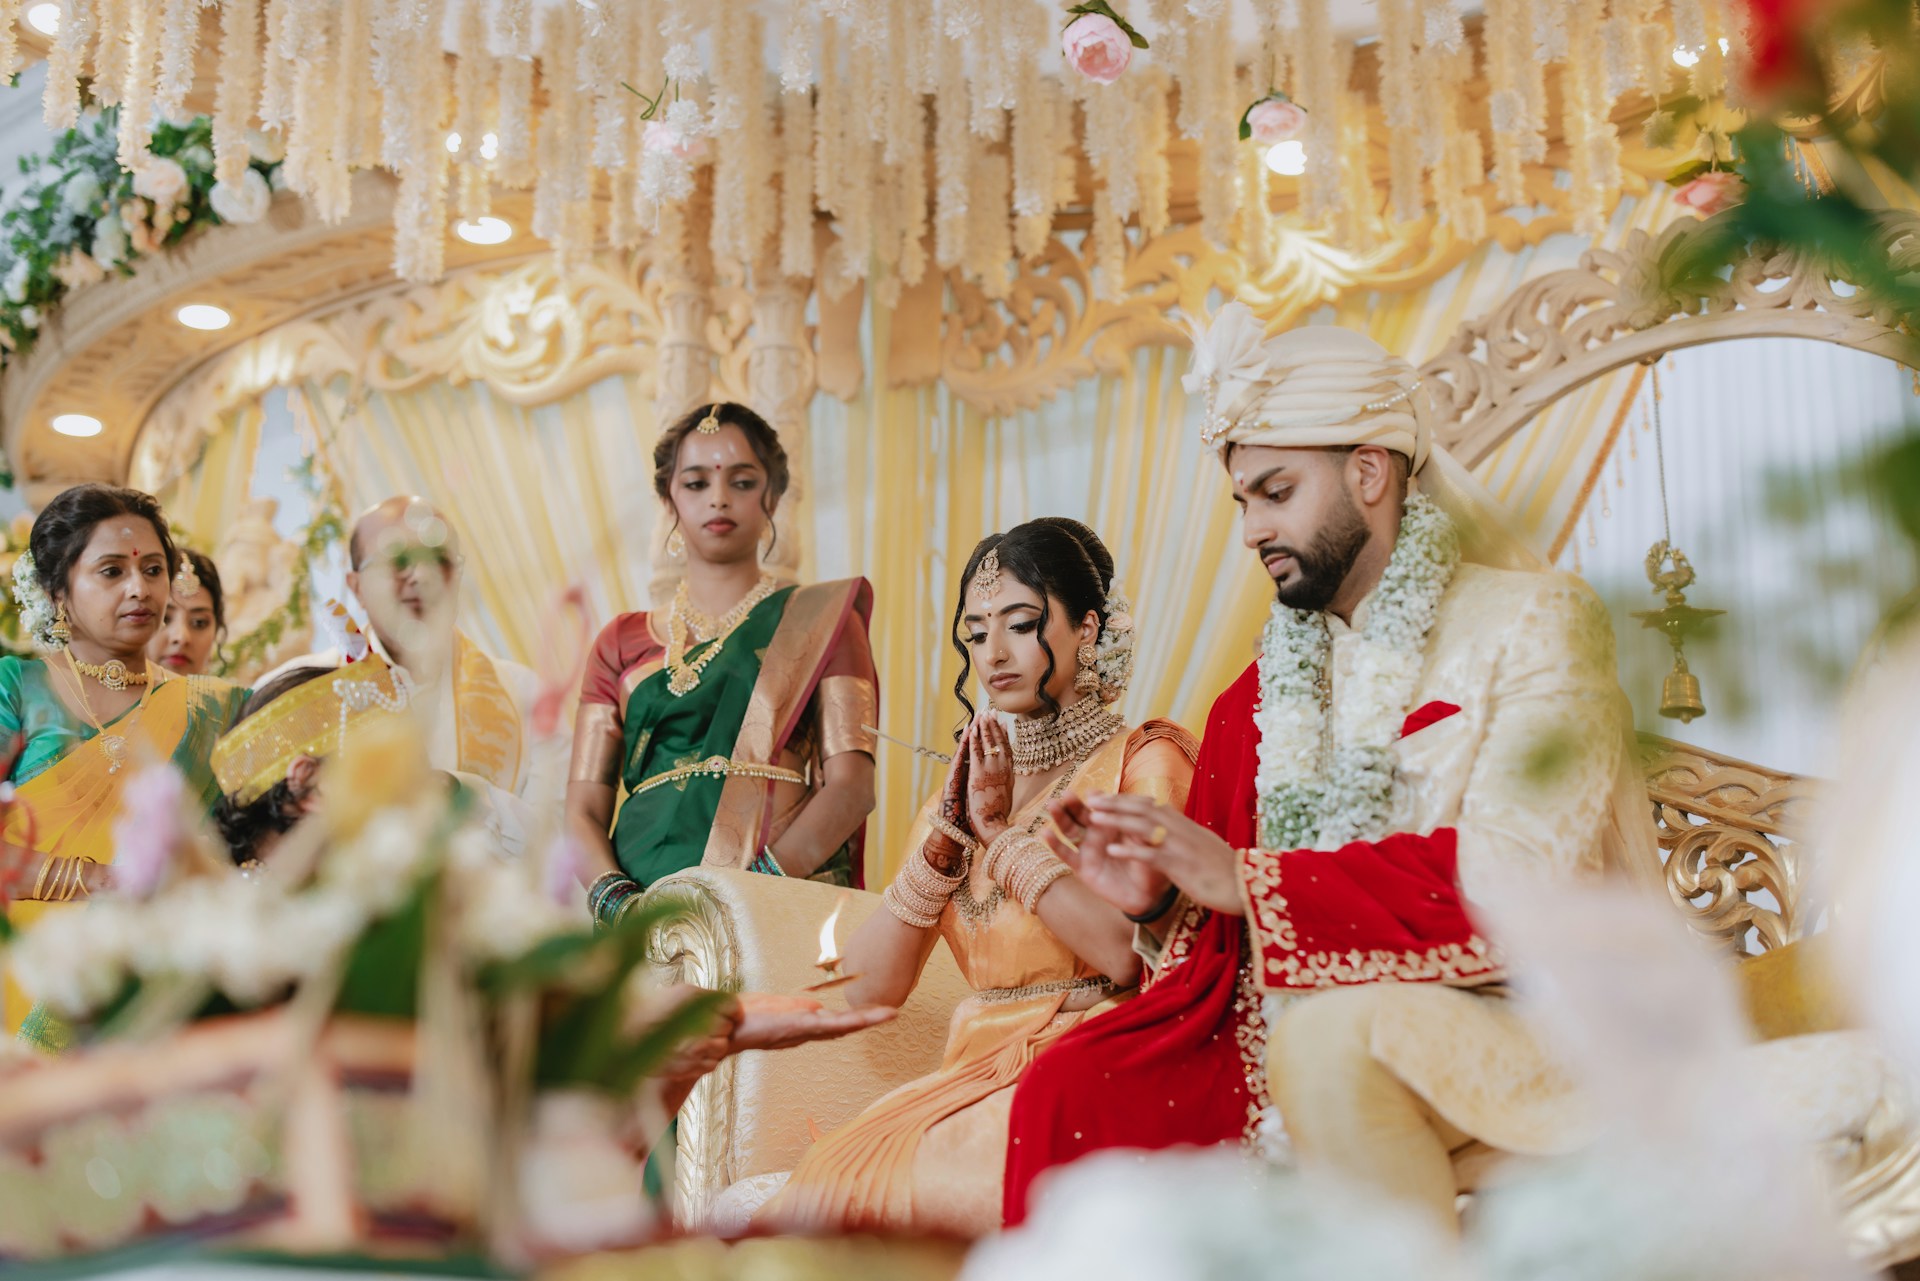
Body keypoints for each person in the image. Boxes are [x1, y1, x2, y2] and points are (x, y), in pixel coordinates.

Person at [1000, 307, 1659, 1231]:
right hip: (1278, 1016)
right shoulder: (1259, 697)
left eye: (1275, 491)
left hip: (1497, 1006)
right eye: (1241, 502)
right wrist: (1157, 901)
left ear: (1369, 471)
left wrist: (1250, 880)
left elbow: (1526, 870)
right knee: (1070, 1084)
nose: (1250, 530)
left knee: (1321, 1050)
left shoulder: (1535, 622)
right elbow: (1221, 932)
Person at [749, 518, 1198, 1236]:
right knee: (823, 1190)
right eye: (975, 632)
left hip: (1094, 1055)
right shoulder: (965, 795)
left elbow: (1122, 952)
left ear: (1088, 628)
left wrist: (1006, 839)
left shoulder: (1142, 763)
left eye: (1020, 624)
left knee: (922, 1196)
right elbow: (870, 987)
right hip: (974, 1067)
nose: (994, 653)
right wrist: (948, 844)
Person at [567, 401, 879, 922]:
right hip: (640, 899)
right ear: (669, 499)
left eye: (741, 481)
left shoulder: (820, 620)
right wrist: (616, 902)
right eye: (695, 484)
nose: (718, 498)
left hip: (771, 896)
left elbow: (850, 787)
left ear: (773, 496)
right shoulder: (619, 642)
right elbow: (581, 810)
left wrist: (757, 890)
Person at [0, 485, 249, 1039]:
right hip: (36, 963)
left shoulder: (211, 707)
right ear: (57, 592)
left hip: (165, 959)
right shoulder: (16, 687)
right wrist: (98, 879)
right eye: (111, 572)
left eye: (153, 569)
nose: (140, 588)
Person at [263, 498, 564, 861]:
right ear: (355, 585)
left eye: (439, 559)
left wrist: (458, 793)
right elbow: (261, 839)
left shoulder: (527, 694)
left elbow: (564, 842)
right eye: (398, 560)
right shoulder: (293, 697)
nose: (422, 576)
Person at [147, 548, 227, 676]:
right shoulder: (104, 695)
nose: (181, 637)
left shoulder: (230, 695)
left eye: (199, 622)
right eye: (164, 618)